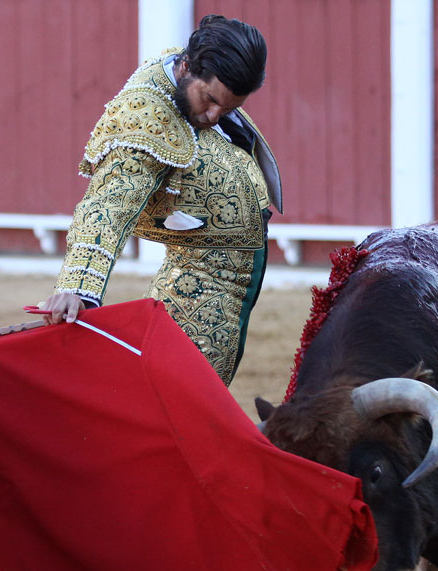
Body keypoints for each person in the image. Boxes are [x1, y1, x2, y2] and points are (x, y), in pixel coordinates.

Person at [39, 14, 281, 386]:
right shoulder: (145, 119)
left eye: (229, 109)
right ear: (187, 67)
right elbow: (108, 204)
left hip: (224, 280)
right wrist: (77, 287)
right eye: (210, 100)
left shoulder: (183, 71)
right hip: (200, 284)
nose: (214, 116)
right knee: (181, 403)